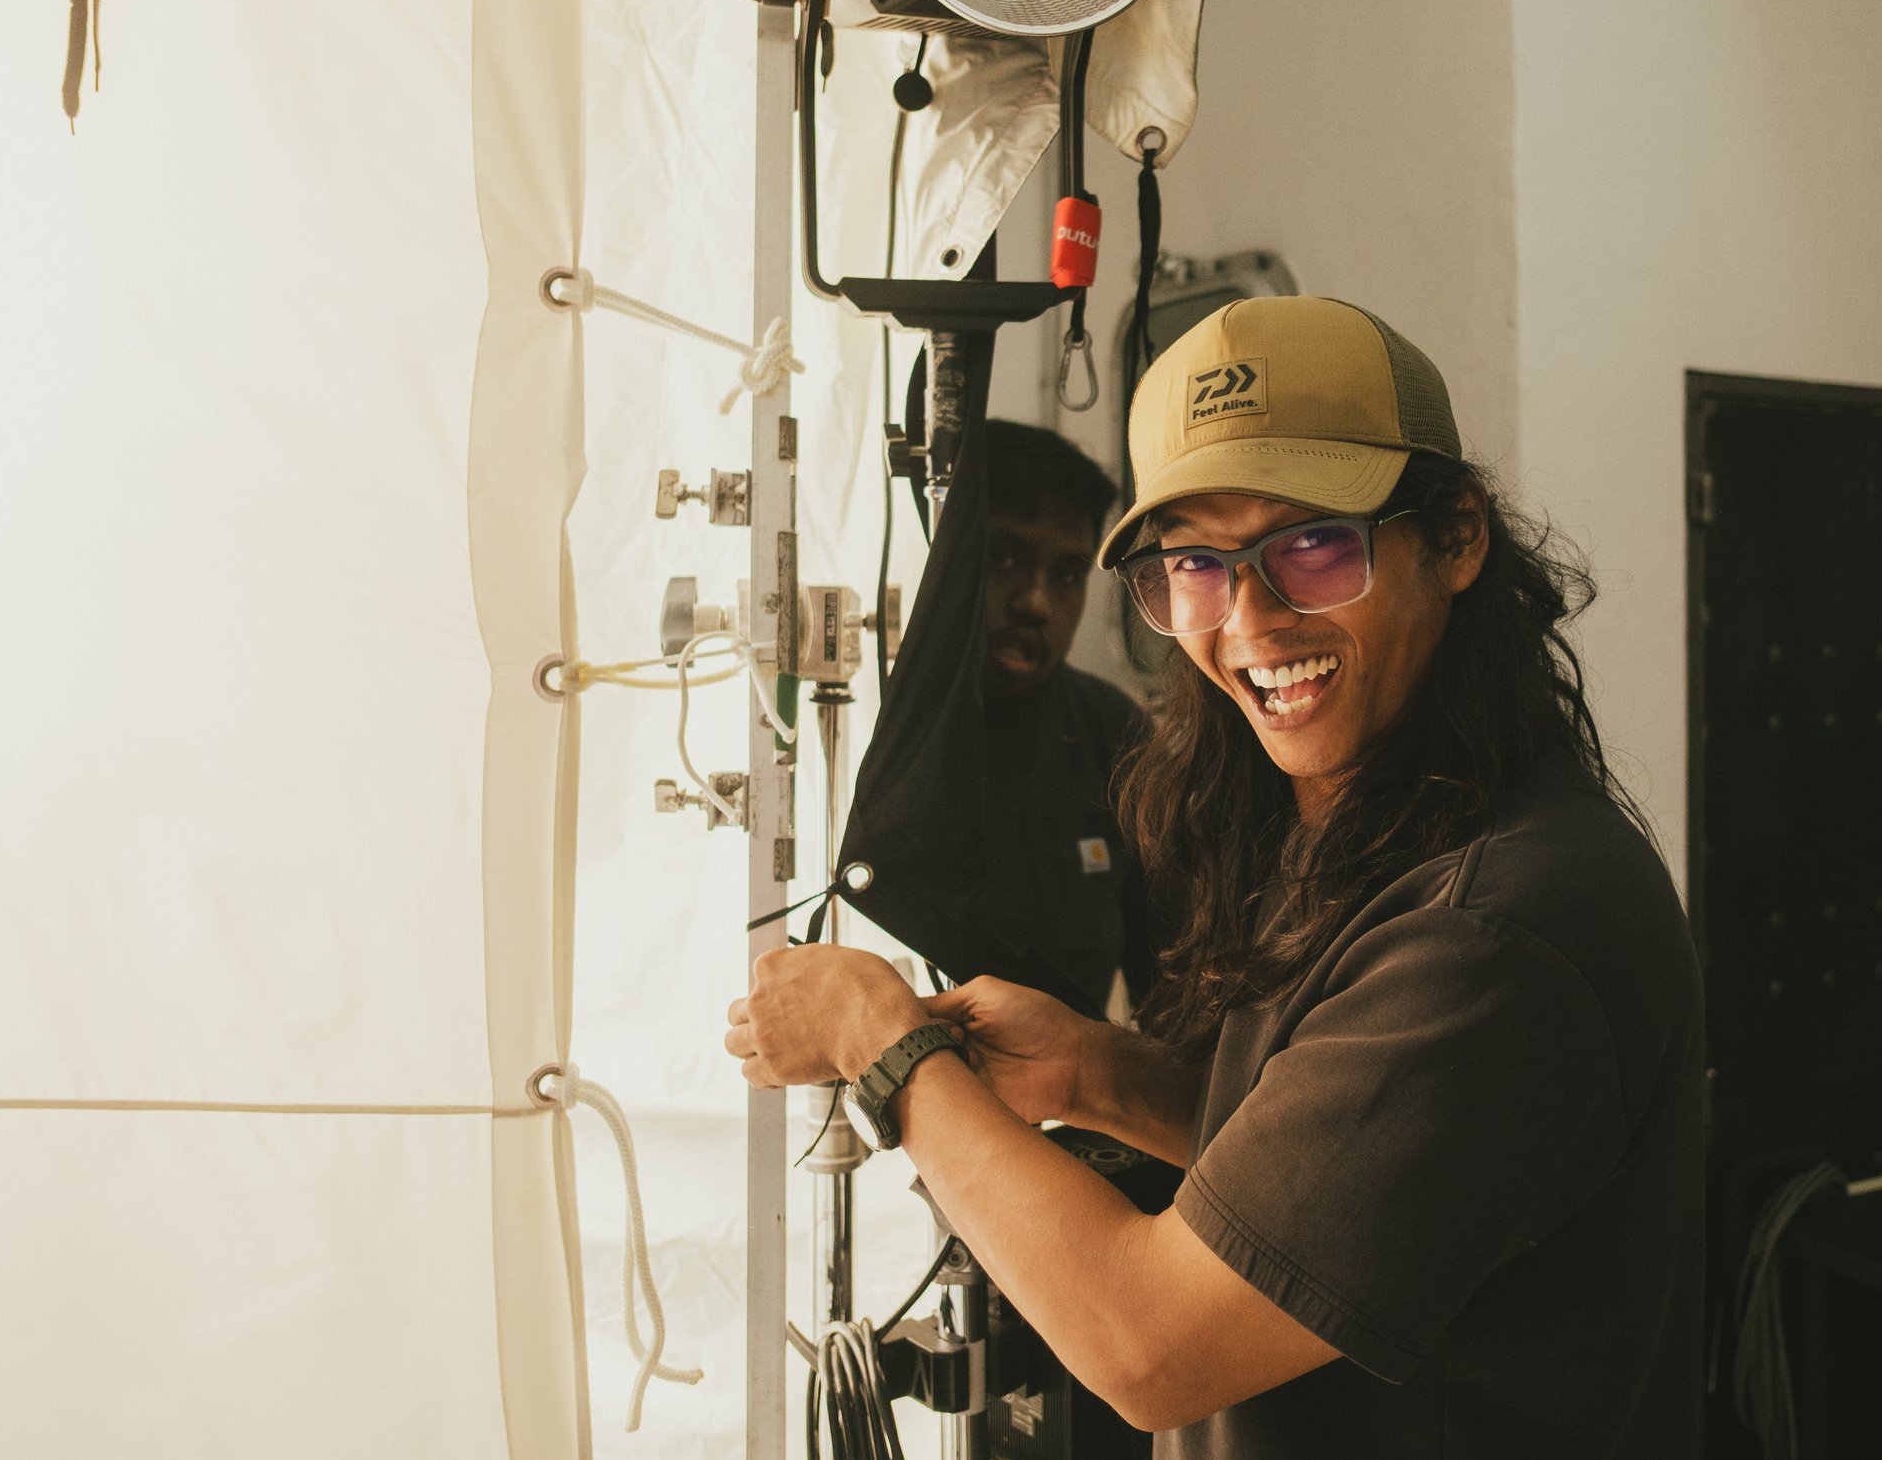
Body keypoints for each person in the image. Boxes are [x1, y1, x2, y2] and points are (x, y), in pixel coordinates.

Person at [727, 296, 1704, 1455]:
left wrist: (887, 1049)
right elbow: (1351, 1188)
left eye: (1310, 544)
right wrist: (1099, 1070)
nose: (1248, 621)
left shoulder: (1496, 927)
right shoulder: (1371, 832)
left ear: (1453, 536)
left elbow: (1152, 1345)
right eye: (1195, 562)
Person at [978, 419, 1158, 1018]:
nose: (1035, 603)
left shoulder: (1112, 732)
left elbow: (1173, 989)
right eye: (1004, 558)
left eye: (1066, 575)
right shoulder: (878, 730)